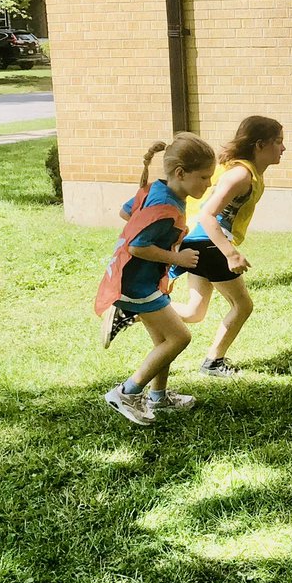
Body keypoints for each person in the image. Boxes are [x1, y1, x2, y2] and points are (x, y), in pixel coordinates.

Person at [94, 133, 217, 424]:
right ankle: (127, 392)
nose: (209, 184)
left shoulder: (158, 190)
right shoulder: (166, 207)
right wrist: (177, 258)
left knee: (163, 340)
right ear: (180, 173)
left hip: (139, 280)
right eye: (204, 177)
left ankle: (158, 399)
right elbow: (137, 245)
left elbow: (127, 212)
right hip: (138, 285)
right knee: (179, 337)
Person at [165, 115, 285, 376]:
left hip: (200, 241)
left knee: (194, 312)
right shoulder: (240, 174)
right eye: (278, 142)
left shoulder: (245, 171)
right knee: (243, 306)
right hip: (208, 242)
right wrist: (230, 253)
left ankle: (137, 309)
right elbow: (208, 215)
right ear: (259, 145)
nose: (283, 149)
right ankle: (213, 362)